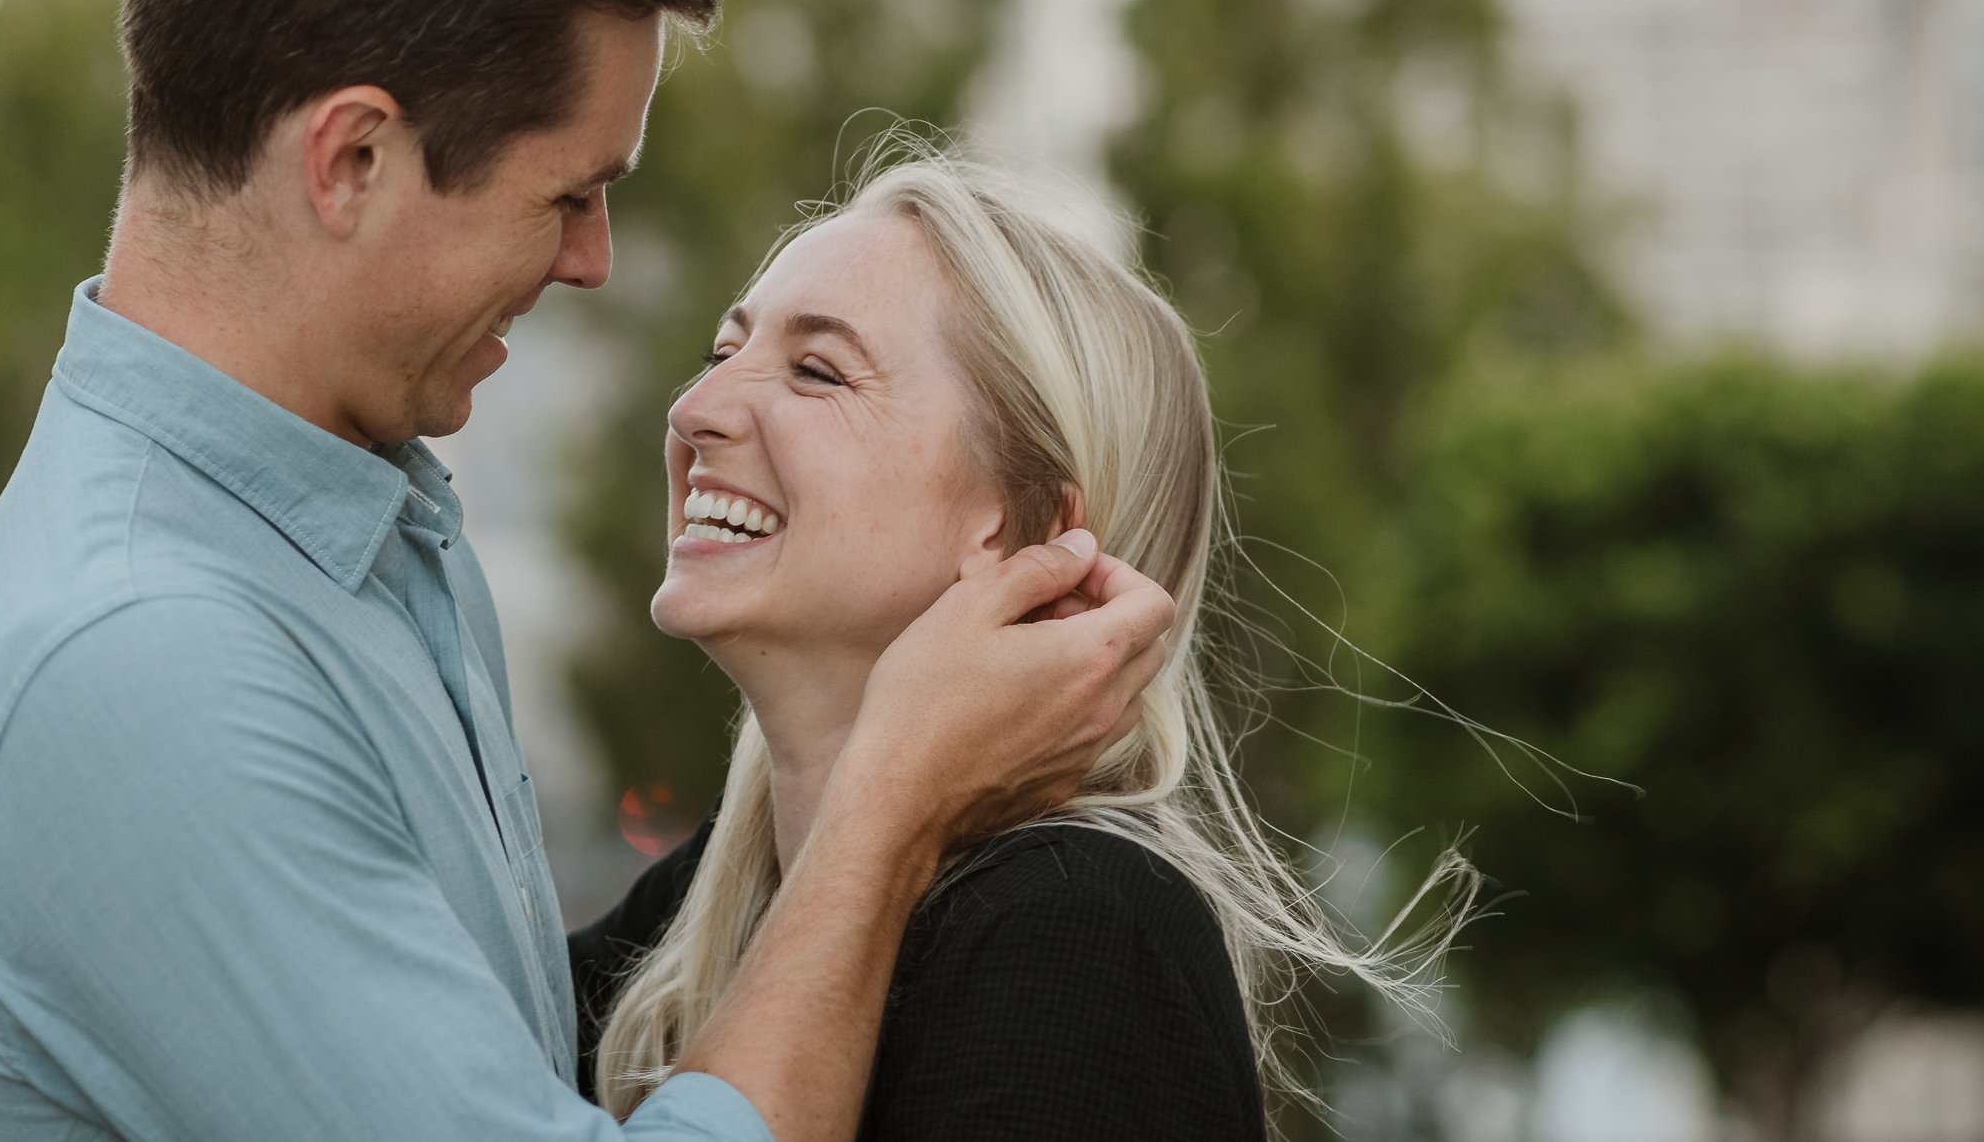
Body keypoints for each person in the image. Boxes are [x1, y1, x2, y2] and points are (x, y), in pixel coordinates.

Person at [0, 0, 1177, 1142]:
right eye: (568, 193)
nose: (593, 259)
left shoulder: (354, 547)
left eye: (821, 370)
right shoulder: (148, 657)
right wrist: (886, 807)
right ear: (355, 158)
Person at [574, 153, 1476, 1139]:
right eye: (721, 351)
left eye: (817, 370)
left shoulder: (1080, 926)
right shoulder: (696, 910)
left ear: (1028, 535)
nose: (693, 410)